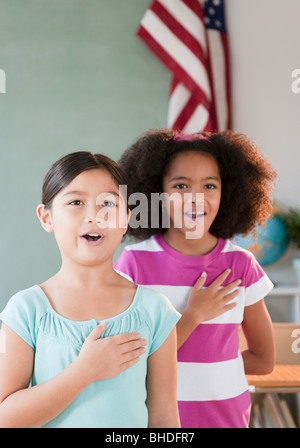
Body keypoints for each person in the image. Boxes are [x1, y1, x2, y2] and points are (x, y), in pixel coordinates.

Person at [0, 151, 181, 428]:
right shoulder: (25, 310)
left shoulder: (155, 311)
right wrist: (84, 372)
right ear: (46, 217)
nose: (94, 216)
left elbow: (165, 418)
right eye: (76, 202)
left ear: (125, 220)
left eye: (108, 203)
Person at [114, 129, 277, 428]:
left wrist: (214, 367)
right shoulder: (134, 264)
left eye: (210, 185)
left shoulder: (241, 265)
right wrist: (194, 315)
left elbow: (264, 361)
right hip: (157, 422)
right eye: (180, 185)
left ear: (226, 193)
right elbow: (129, 360)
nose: (195, 198)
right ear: (156, 192)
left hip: (228, 419)